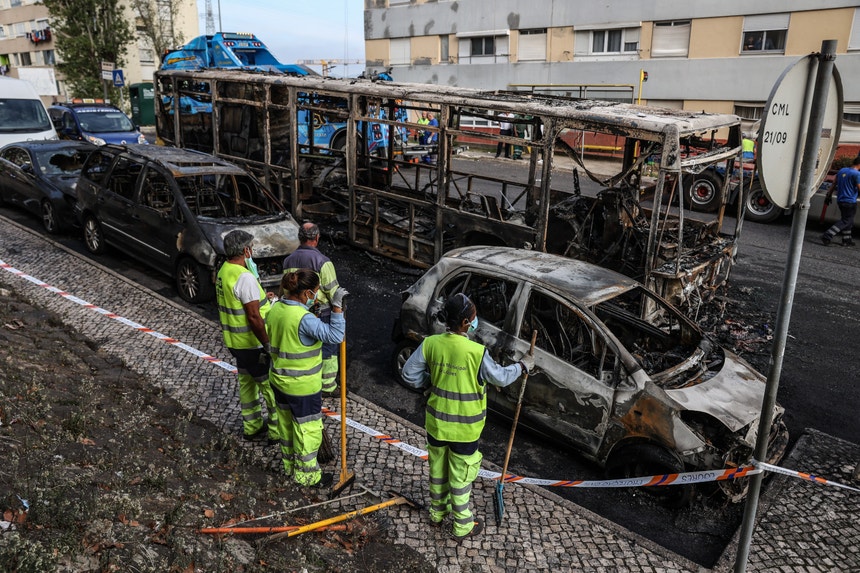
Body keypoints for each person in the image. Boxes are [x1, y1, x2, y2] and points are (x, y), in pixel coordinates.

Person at [400, 293, 534, 541]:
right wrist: (523, 366)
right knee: (460, 478)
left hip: (437, 425)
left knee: (438, 471)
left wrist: (428, 383)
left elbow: (409, 374)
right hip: (465, 430)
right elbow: (501, 378)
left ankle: (437, 513)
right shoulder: (476, 352)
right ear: (464, 323)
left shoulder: (431, 343)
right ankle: (462, 525)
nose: (475, 321)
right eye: (472, 318)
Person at [266, 269, 347, 487]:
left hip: (278, 380)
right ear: (307, 293)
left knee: (286, 426)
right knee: (307, 430)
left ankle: (289, 466)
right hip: (302, 386)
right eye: (316, 293)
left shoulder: (276, 309)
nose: (317, 297)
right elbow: (335, 336)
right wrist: (337, 309)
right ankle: (308, 476)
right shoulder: (304, 319)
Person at [215, 230, 279, 443]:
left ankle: (251, 426)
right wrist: (267, 344)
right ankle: (276, 432)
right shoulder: (244, 277)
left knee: (247, 383)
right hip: (252, 345)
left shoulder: (225, 271)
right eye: (251, 246)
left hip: (235, 343)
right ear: (245, 250)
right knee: (269, 387)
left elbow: (241, 304)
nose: (252, 250)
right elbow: (253, 317)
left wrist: (264, 298)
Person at [282, 222, 341, 393]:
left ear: (300, 238)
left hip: (295, 310)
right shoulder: (322, 262)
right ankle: (328, 386)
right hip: (321, 313)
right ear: (317, 238)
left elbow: (287, 287)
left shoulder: (288, 260)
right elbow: (334, 293)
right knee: (328, 349)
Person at [821, 156, 860, 246]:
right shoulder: (857, 174)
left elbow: (834, 183)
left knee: (847, 220)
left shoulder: (842, 170)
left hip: (841, 200)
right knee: (846, 220)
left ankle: (846, 240)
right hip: (850, 201)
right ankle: (827, 235)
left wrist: (828, 195)